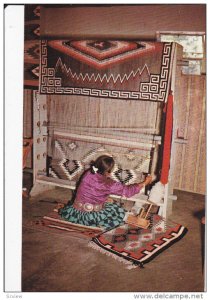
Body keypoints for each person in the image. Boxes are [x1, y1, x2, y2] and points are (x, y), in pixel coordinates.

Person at [59, 155, 152, 230]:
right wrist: (145, 182)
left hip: (76, 213)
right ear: (108, 171)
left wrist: (103, 197)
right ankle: (131, 217)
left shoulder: (88, 173)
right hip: (91, 217)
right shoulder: (109, 184)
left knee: (109, 201)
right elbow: (127, 191)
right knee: (116, 210)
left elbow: (92, 190)